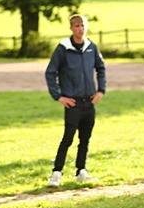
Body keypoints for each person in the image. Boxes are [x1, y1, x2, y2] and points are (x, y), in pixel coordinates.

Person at [44, 14, 106, 186]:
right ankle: (56, 173)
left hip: (89, 102)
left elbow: (101, 68)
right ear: (71, 28)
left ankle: (81, 171)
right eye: (77, 26)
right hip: (73, 103)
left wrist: (101, 90)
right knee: (68, 139)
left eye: (83, 25)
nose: (80, 29)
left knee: (85, 139)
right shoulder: (63, 49)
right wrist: (58, 96)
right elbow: (50, 72)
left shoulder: (91, 47)